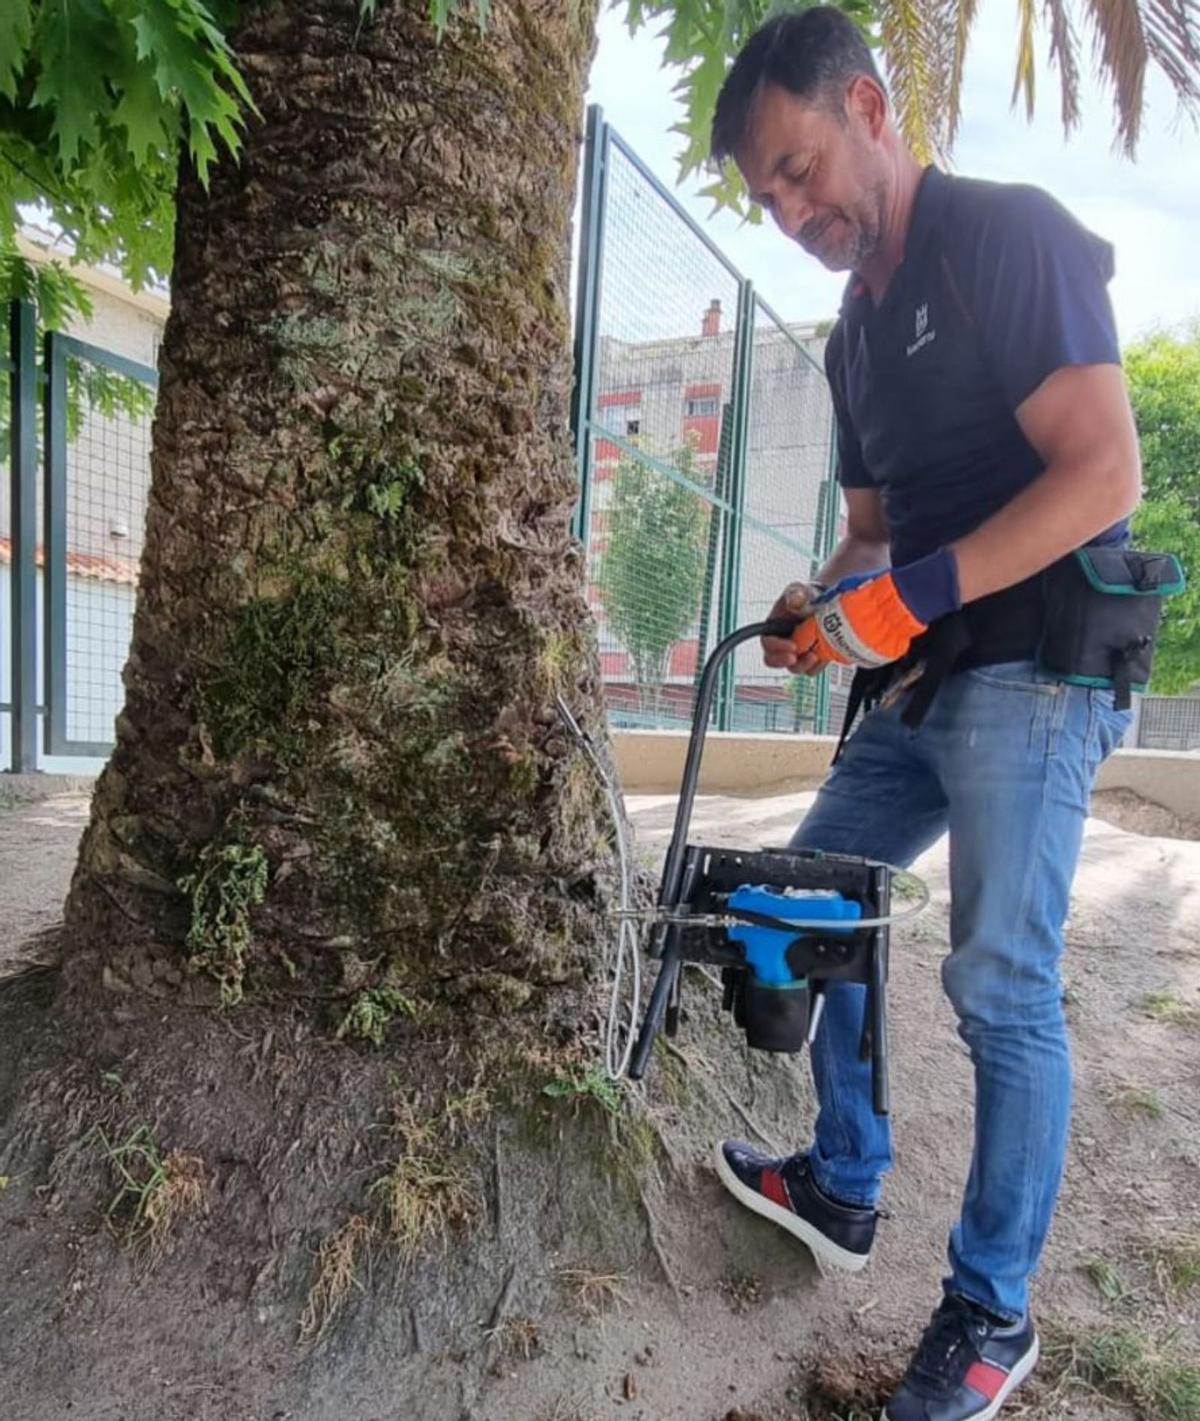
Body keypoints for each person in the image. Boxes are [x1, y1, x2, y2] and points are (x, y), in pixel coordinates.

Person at [708, 9, 1141, 1420]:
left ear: (870, 108)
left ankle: (991, 1310)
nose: (791, 209)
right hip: (923, 670)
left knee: (997, 985)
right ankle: (842, 1178)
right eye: (767, 194)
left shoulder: (1009, 238)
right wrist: (818, 600)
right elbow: (875, 538)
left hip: (1041, 665)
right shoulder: (850, 341)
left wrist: (907, 597)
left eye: (799, 165)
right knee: (800, 899)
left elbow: (1102, 475)